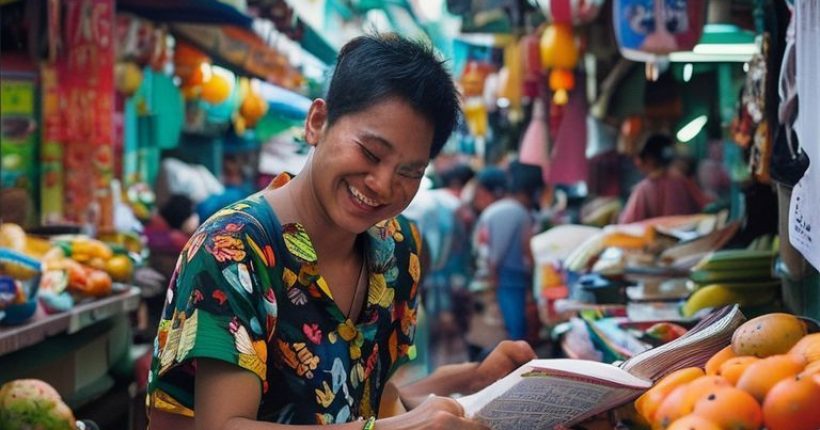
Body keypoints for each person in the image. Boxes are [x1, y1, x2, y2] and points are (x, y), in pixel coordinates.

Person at [146, 33, 535, 430]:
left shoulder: (396, 250)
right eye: (370, 153)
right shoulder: (232, 249)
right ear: (317, 123)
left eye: (409, 172)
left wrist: (477, 379)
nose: (382, 185)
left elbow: (369, 404)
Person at [471, 161, 543, 344]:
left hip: (506, 277)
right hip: (509, 278)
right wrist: (495, 275)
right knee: (515, 330)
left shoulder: (501, 210)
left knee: (511, 327)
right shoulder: (515, 211)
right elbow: (499, 252)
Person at [619, 134, 711, 224]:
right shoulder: (682, 181)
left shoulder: (644, 189)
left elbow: (627, 223)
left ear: (649, 159)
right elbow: (707, 206)